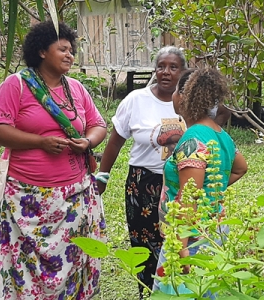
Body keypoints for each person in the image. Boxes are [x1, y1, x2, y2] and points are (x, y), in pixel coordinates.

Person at [0, 21, 107, 299]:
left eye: (71, 50)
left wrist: (88, 141)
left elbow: (98, 124)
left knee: (72, 265)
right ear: (41, 51)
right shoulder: (17, 86)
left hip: (73, 199)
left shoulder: (76, 89)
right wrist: (40, 142)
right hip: (23, 201)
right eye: (62, 49)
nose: (69, 55)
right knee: (20, 269)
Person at [96, 46, 188, 298]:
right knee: (145, 245)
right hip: (142, 182)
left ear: (183, 71)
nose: (166, 72)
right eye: (161, 66)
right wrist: (103, 176)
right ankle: (147, 293)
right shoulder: (136, 100)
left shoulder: (191, 103)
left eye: (173, 67)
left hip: (183, 182)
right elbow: (115, 141)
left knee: (180, 243)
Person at [153, 68, 248, 297]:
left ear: (184, 96)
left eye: (177, 91)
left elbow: (189, 196)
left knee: (176, 291)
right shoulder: (220, 134)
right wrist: (211, 191)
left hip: (191, 237)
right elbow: (240, 167)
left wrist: (181, 246)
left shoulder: (193, 137)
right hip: (213, 229)